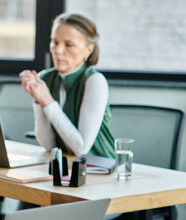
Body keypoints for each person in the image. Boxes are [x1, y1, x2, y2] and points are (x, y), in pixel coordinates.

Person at [20, 13, 115, 158]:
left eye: (69, 45)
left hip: (100, 169)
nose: (57, 50)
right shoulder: (45, 78)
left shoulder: (95, 81)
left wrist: (47, 101)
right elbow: (49, 144)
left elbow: (81, 149)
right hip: (67, 169)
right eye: (54, 42)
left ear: (89, 50)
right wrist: (38, 101)